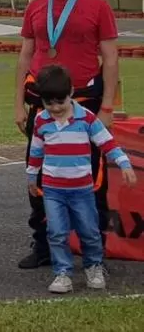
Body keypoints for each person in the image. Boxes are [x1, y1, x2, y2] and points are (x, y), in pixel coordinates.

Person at [14, 0, 119, 269]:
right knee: (40, 176)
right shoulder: (34, 7)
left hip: (85, 105)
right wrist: (18, 105)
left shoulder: (97, 6)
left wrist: (107, 108)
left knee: (92, 179)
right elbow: (25, 56)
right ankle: (44, 246)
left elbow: (112, 58)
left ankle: (94, 253)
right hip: (43, 107)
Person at [26, 64, 136, 294]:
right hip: (53, 190)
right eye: (49, 103)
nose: (55, 108)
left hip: (82, 190)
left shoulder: (87, 118)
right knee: (56, 232)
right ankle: (62, 272)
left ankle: (93, 265)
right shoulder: (41, 121)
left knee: (89, 231)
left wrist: (124, 163)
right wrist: (31, 176)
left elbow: (107, 142)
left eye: (60, 102)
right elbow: (36, 151)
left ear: (71, 94)